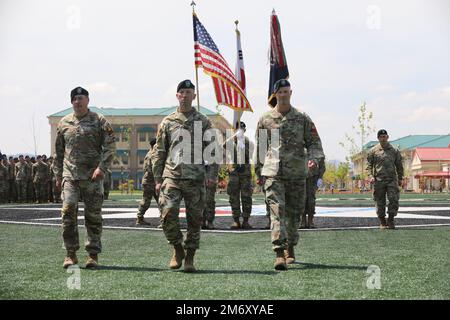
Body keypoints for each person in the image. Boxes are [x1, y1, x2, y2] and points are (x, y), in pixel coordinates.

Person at [255, 79, 325, 270]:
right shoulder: (265, 119)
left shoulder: (302, 118)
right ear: (275, 94)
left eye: (287, 91)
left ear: (291, 93)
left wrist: (314, 159)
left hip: (296, 173)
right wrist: (258, 171)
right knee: (277, 211)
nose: (284, 95)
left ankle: (290, 247)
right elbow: (261, 148)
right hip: (273, 173)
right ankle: (279, 252)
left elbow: (314, 143)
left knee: (294, 214)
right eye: (280, 92)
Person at [151, 79, 218, 272]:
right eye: (183, 92)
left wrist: (211, 174)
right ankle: (177, 248)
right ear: (177, 95)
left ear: (194, 96)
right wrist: (157, 178)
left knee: (194, 220)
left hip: (195, 177)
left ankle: (189, 257)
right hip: (171, 175)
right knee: (167, 213)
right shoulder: (168, 122)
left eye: (189, 92)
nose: (186, 95)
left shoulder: (203, 121)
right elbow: (160, 151)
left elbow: (212, 150)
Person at [54, 86, 116, 269]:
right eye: (74, 98)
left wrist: (102, 168)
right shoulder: (64, 123)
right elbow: (58, 152)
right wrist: (58, 175)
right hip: (70, 176)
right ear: (71, 101)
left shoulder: (99, 121)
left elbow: (110, 146)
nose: (77, 101)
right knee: (67, 213)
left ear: (88, 100)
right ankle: (70, 254)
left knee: (93, 215)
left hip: (93, 177)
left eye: (81, 98)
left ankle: (93, 255)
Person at [366, 129, 403, 229]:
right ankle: (382, 221)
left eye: (384, 136)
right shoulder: (373, 151)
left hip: (392, 180)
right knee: (379, 201)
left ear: (388, 137)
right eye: (381, 137)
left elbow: (399, 165)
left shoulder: (394, 150)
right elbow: (369, 166)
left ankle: (391, 220)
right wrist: (370, 176)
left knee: (393, 199)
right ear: (378, 138)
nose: (383, 138)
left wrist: (400, 178)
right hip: (378, 180)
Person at [225, 121, 254, 229]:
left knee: (246, 197)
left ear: (244, 130)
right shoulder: (231, 141)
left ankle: (246, 220)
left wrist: (242, 146)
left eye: (241, 129)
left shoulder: (248, 142)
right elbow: (222, 146)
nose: (239, 131)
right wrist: (233, 138)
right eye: (237, 129)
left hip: (245, 173)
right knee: (234, 197)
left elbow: (251, 154)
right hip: (234, 173)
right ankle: (236, 220)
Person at [136, 138, 159, 226]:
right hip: (152, 181)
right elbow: (154, 169)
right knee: (161, 201)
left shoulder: (148, 153)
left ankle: (139, 218)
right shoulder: (153, 154)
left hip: (147, 181)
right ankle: (164, 221)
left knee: (145, 201)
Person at [301, 157, 325, 229]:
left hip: (312, 179)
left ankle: (310, 221)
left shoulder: (315, 150)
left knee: (311, 201)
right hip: (301, 179)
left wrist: (320, 177)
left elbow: (322, 165)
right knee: (302, 200)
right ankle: (303, 221)